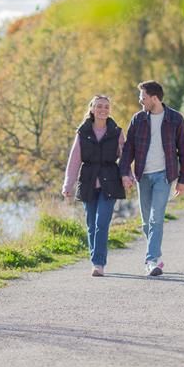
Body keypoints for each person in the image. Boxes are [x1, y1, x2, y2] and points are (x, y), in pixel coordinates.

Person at [119, 80, 184, 277]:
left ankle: (151, 261)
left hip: (164, 176)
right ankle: (156, 256)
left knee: (156, 218)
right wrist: (125, 172)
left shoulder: (175, 119)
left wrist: (183, 180)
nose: (140, 101)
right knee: (145, 222)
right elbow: (128, 150)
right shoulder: (138, 119)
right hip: (143, 175)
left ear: (154, 98)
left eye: (143, 97)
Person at [62, 95, 126, 277]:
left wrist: (128, 176)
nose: (103, 109)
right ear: (92, 109)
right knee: (91, 224)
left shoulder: (117, 132)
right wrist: (68, 184)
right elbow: (74, 160)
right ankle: (95, 260)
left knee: (101, 223)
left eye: (106, 106)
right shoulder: (82, 132)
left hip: (110, 182)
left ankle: (98, 263)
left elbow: (125, 157)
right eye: (99, 106)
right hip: (88, 181)